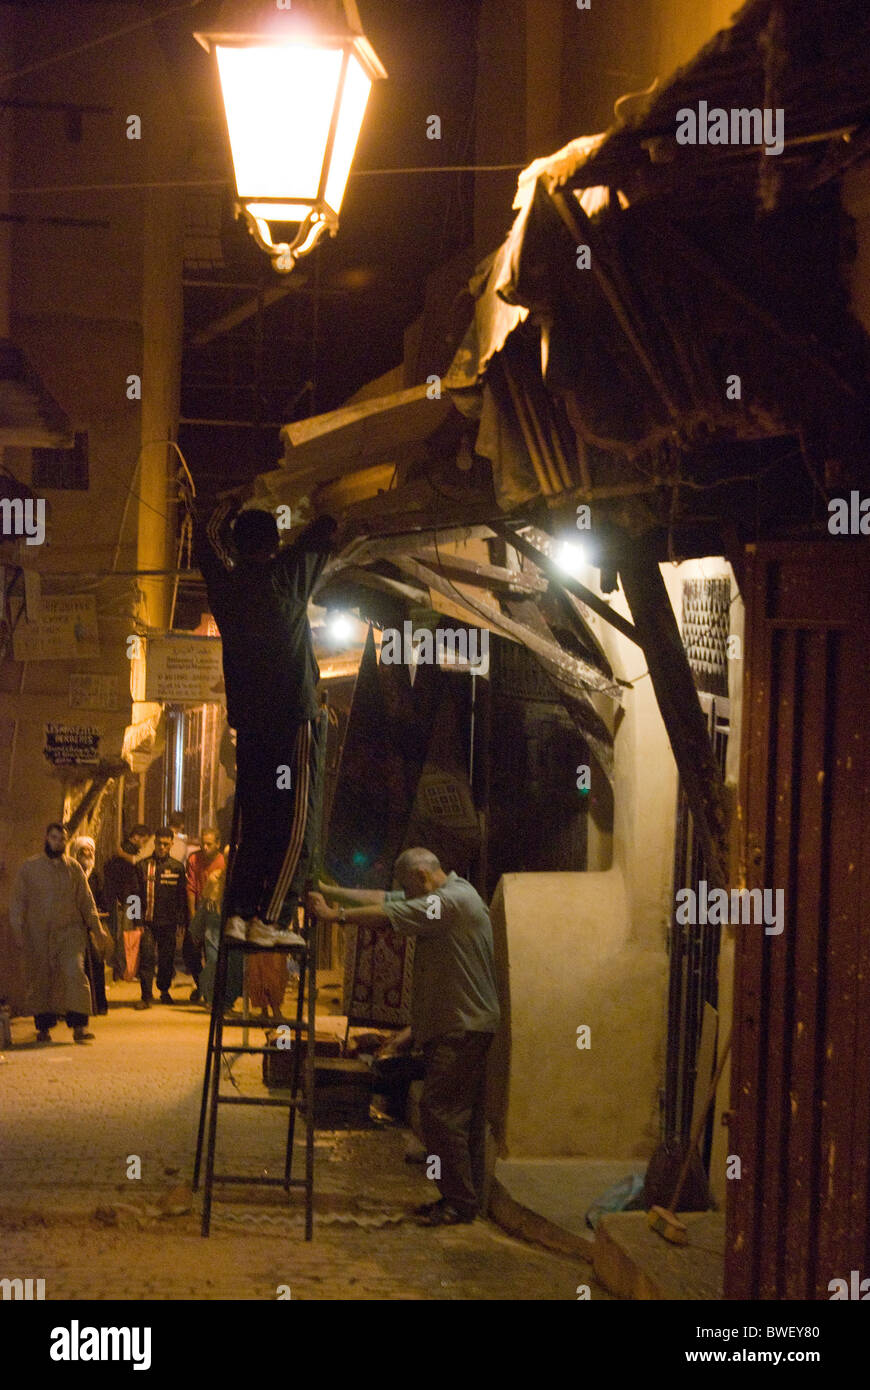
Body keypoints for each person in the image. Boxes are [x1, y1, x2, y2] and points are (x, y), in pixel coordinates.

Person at [308, 847, 501, 1226]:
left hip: (461, 1028)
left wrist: (335, 916)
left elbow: (388, 914)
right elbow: (385, 899)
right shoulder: (445, 894)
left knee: (439, 1114)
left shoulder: (447, 904)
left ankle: (459, 1203)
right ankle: (461, 1198)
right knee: (453, 1117)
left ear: (422, 877)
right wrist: (331, 891)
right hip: (456, 1024)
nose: (406, 894)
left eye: (408, 887)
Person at [190, 492, 340, 946]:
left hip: (251, 726)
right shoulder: (287, 576)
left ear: (238, 547)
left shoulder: (225, 587)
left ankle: (238, 914)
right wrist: (317, 509)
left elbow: (206, 536)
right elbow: (326, 527)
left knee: (256, 820)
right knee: (296, 822)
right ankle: (271, 919)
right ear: (273, 545)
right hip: (293, 719)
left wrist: (228, 501)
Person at [9, 822, 102, 1044]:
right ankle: (43, 1028)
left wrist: (97, 928)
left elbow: (86, 900)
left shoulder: (73, 868)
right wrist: (17, 931)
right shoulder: (30, 868)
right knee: (41, 979)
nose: (58, 843)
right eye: (54, 838)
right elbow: (18, 902)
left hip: (70, 933)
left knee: (74, 973)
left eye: (62, 839)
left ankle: (79, 1026)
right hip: (38, 934)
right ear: (46, 838)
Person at [135, 826, 188, 1008]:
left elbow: (182, 897)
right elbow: (133, 895)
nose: (162, 847)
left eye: (166, 844)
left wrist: (182, 921)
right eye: (159, 843)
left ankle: (164, 991)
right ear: (154, 843)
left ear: (172, 844)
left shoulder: (177, 868)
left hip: (169, 923)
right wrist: (135, 921)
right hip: (147, 923)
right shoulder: (142, 866)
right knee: (147, 957)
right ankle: (146, 996)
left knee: (167, 959)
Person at [103, 824, 149, 981]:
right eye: (144, 840)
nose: (144, 845)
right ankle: (125, 970)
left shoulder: (121, 853)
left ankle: (123, 969)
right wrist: (137, 911)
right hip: (130, 899)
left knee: (124, 934)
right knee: (128, 935)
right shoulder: (129, 855)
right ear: (136, 837)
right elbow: (133, 884)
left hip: (123, 899)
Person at [69, 835, 109, 1015]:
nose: (87, 853)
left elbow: (102, 900)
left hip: (92, 927)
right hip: (73, 927)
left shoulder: (96, 876)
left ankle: (99, 1004)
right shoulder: (70, 873)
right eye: (83, 850)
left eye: (90, 850)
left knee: (96, 963)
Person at [184, 827, 225, 1002]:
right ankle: (202, 984)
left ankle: (209, 991)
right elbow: (191, 887)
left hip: (216, 911)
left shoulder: (222, 862)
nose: (205, 847)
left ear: (218, 844)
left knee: (212, 955)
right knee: (190, 951)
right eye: (203, 843)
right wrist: (193, 915)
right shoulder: (194, 859)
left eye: (209, 844)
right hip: (200, 908)